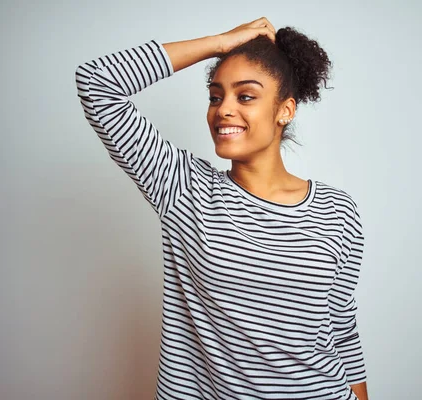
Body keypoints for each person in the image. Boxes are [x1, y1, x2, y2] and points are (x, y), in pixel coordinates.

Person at [75, 17, 368, 400]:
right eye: (216, 96)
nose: (223, 110)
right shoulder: (183, 189)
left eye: (245, 96)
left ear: (285, 110)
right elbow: (96, 83)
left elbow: (341, 328)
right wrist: (219, 43)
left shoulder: (337, 210)